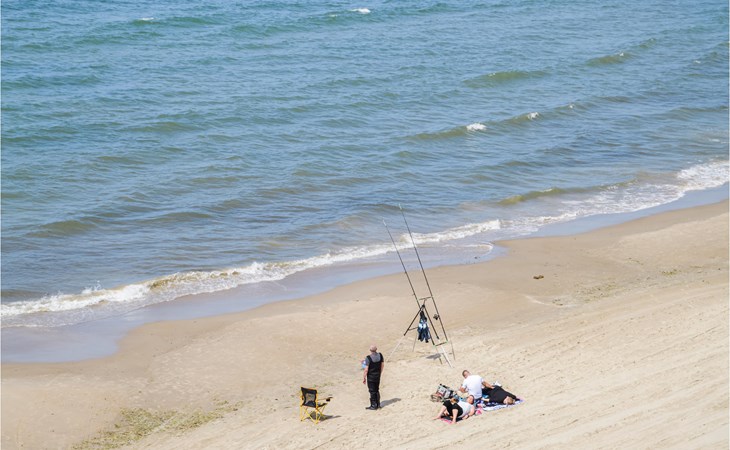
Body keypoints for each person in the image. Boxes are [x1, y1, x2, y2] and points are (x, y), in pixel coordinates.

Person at [362, 344, 384, 410]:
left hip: (371, 377)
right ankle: (378, 404)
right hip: (377, 375)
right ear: (376, 349)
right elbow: (382, 365)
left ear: (370, 350)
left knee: (372, 391)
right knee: (377, 389)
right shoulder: (380, 355)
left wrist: (364, 377)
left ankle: (374, 405)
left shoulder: (368, 358)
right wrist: (380, 373)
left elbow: (366, 369)